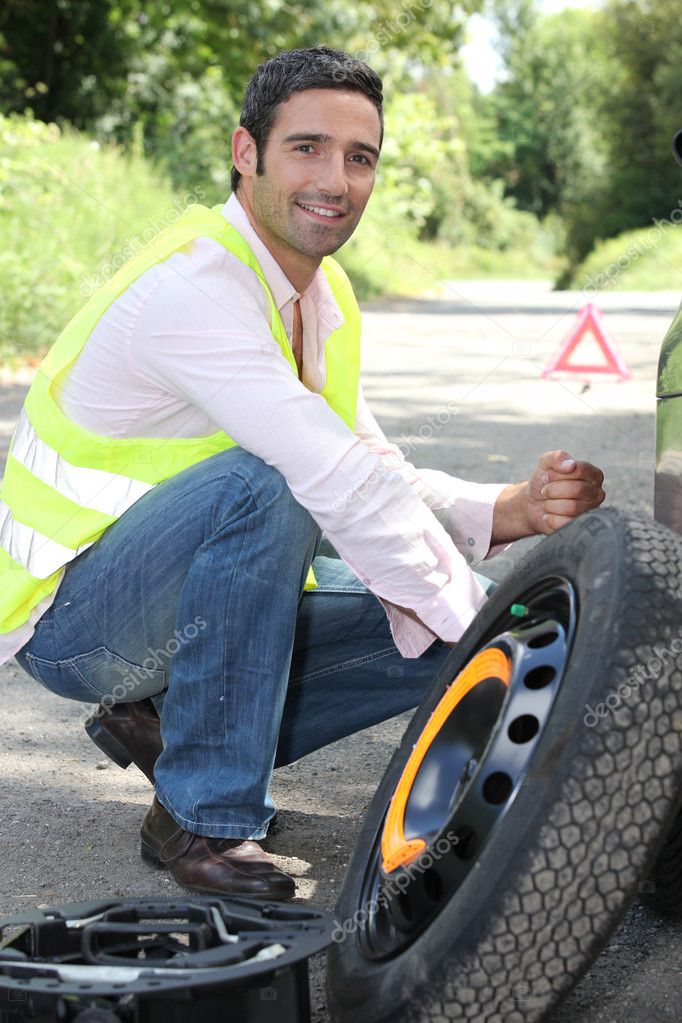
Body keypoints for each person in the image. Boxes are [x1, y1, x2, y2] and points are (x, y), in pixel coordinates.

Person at [2, 47, 604, 901]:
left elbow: (368, 468)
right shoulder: (198, 286)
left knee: (445, 625)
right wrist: (480, 622)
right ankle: (205, 815)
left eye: (360, 157)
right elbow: (324, 476)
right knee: (286, 493)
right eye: (308, 148)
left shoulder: (318, 298)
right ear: (247, 153)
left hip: (168, 604)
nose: (337, 179)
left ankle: (176, 721)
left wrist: (506, 509)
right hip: (73, 620)